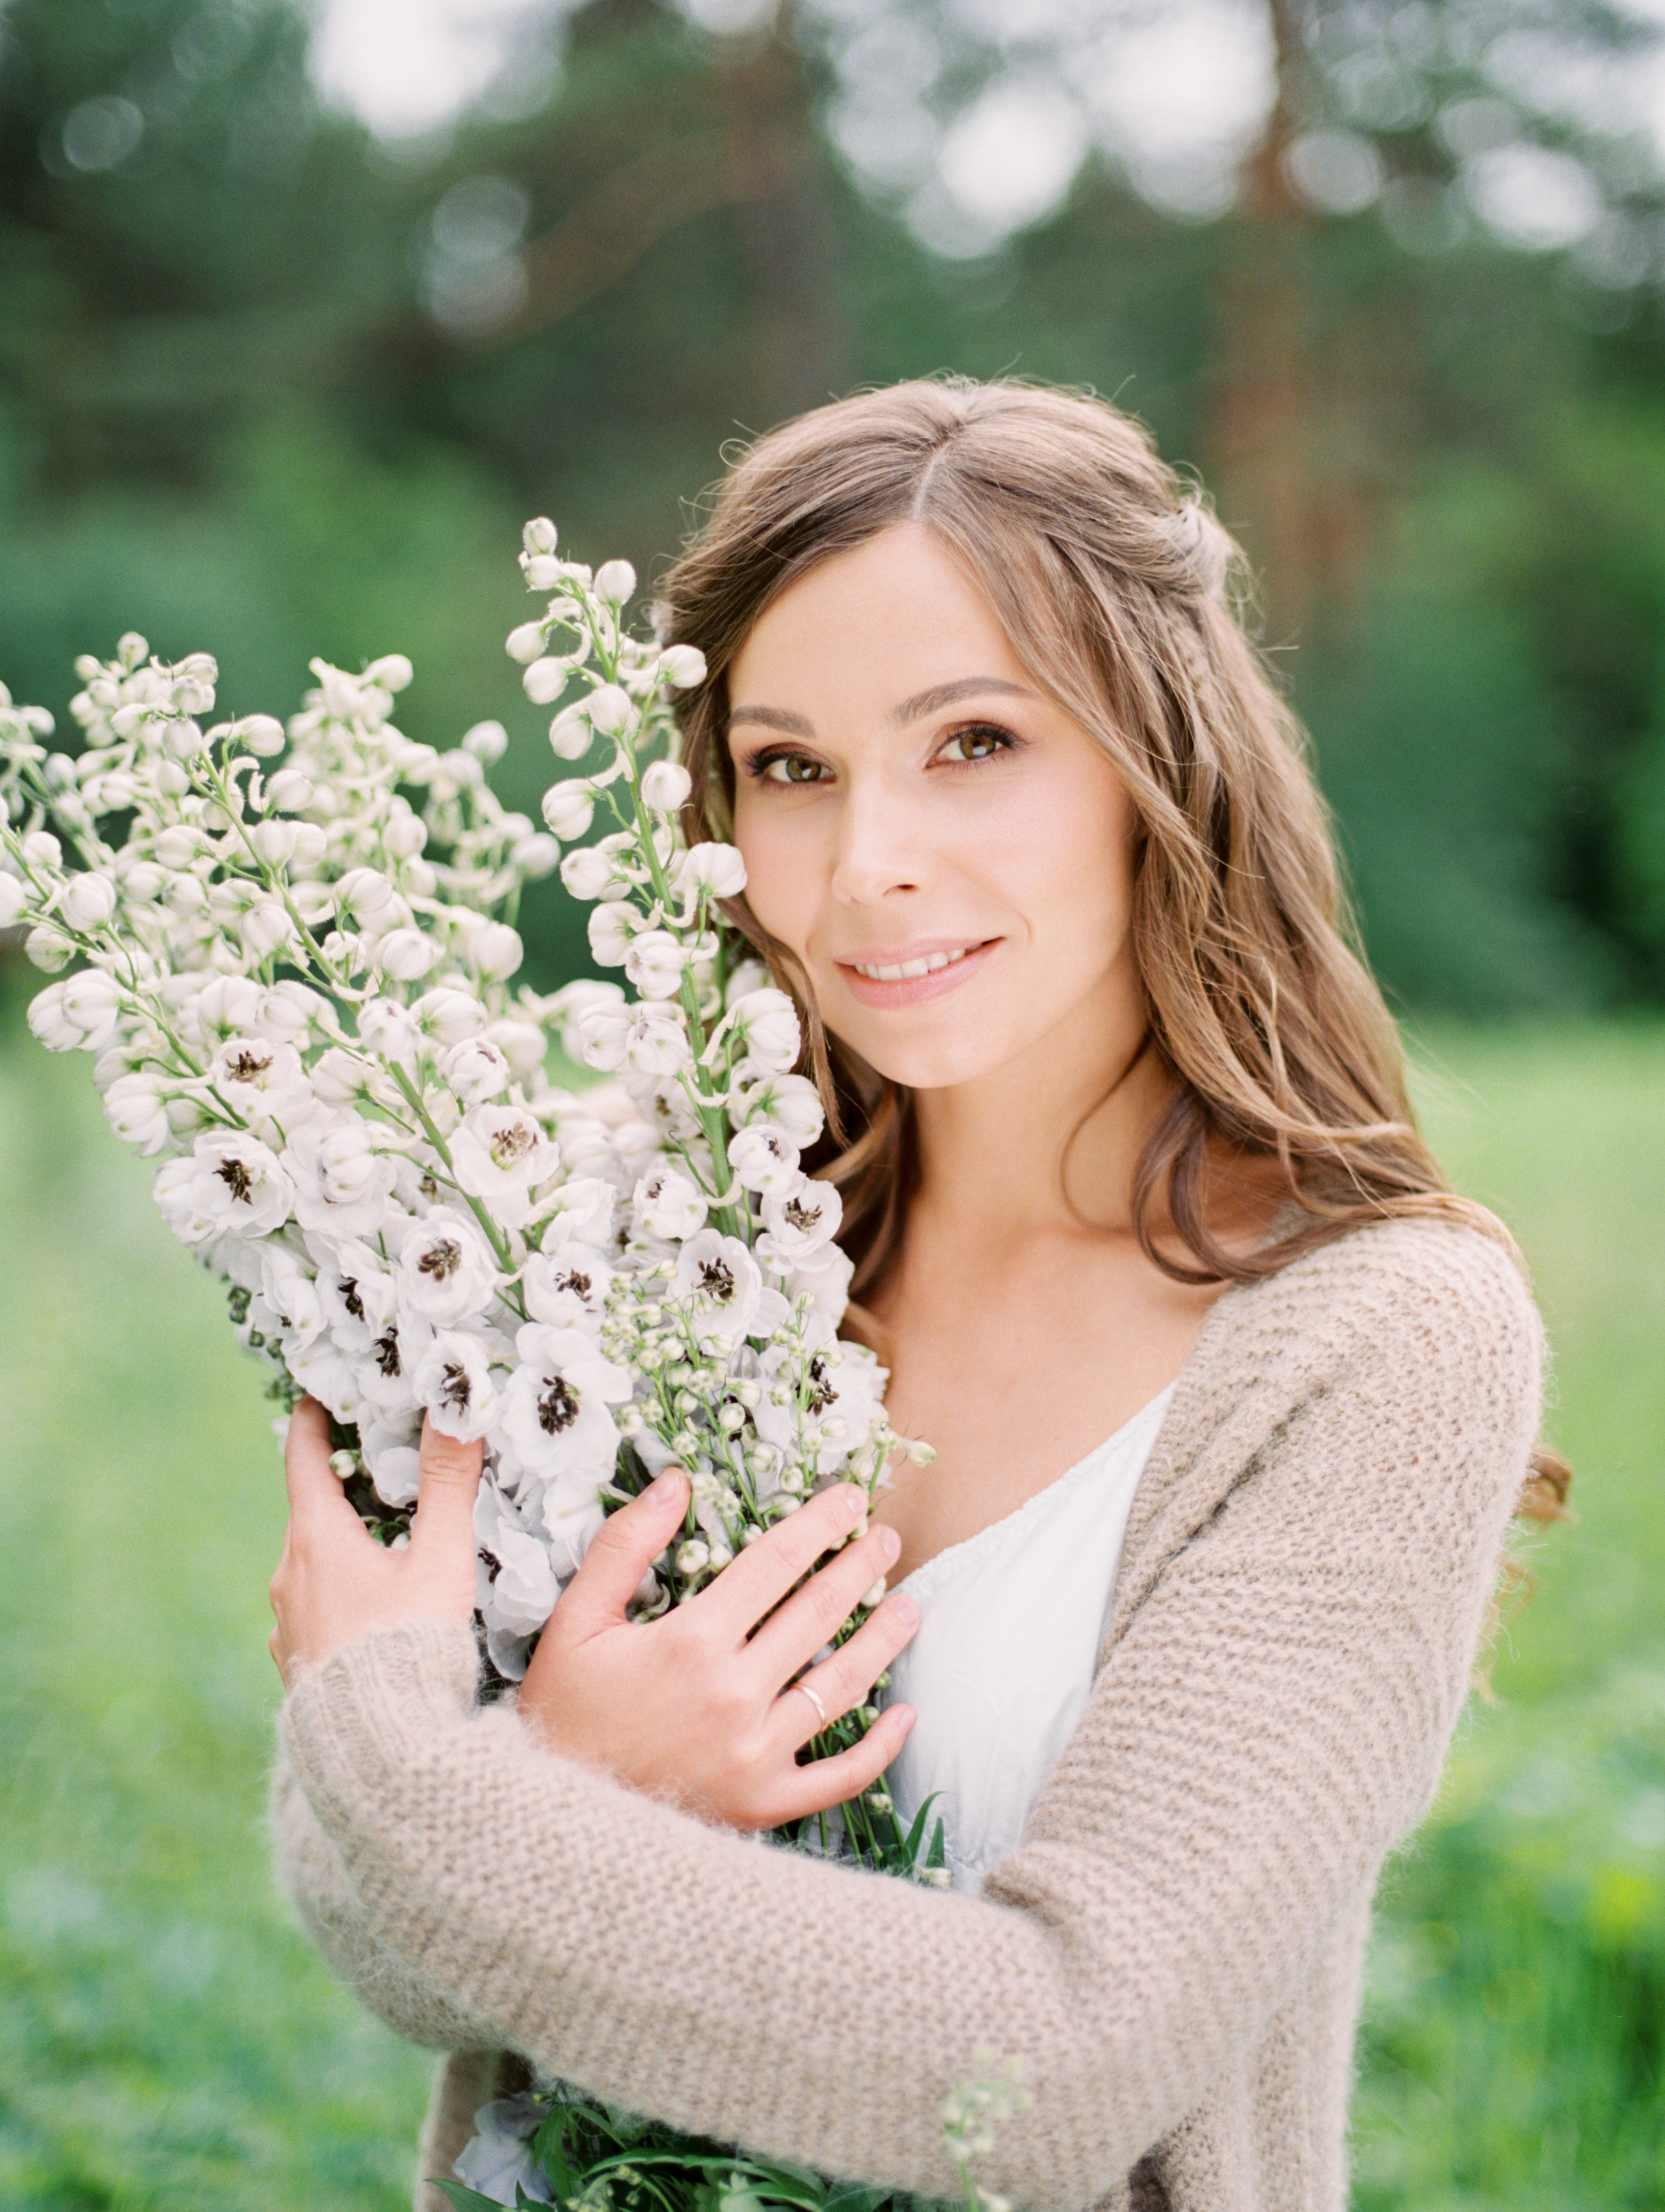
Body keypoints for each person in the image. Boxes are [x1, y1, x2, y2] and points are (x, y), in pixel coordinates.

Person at [267, 378, 1560, 2212]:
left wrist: (442, 1766)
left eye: (972, 741)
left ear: (1154, 755)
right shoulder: (636, 1236)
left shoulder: (1378, 1336)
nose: (866, 857)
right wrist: (561, 1764)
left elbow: (1049, 2067)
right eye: (788, 766)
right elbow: (392, 1938)